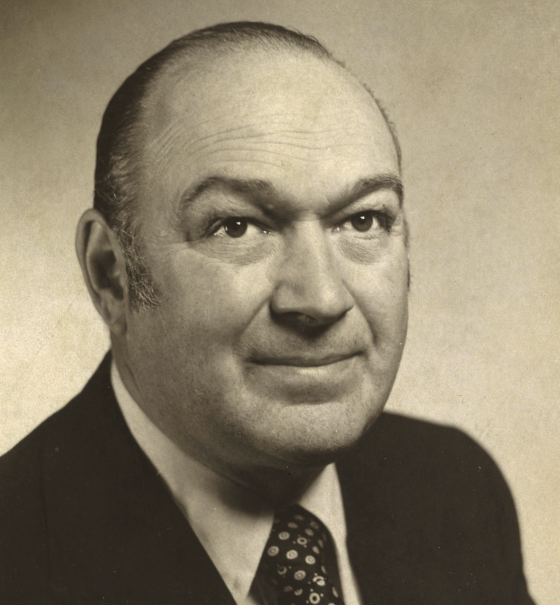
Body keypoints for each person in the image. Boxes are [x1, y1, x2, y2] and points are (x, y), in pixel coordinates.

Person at [0, 22, 535, 604]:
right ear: (111, 273)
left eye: (363, 220)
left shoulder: (456, 488)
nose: (321, 299)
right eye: (237, 226)